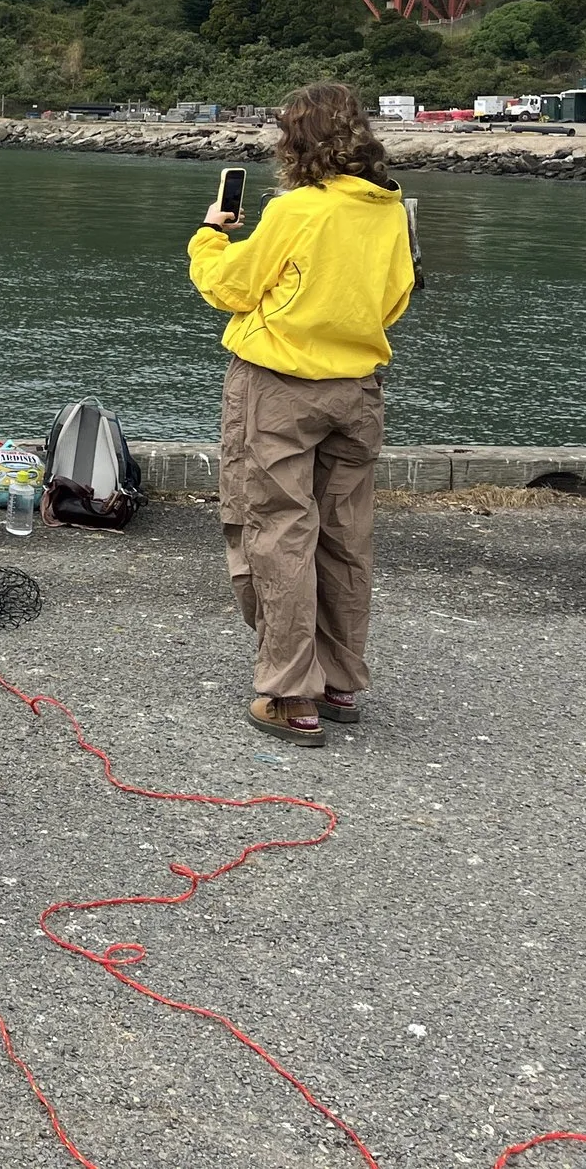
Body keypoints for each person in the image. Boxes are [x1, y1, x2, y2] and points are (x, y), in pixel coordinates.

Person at [190, 80, 413, 748]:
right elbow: (395, 299)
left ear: (296, 142)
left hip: (280, 387)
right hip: (358, 388)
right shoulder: (389, 208)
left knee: (276, 528)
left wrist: (209, 235)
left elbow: (229, 286)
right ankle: (340, 680)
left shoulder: (296, 210)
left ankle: (290, 692)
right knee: (344, 532)